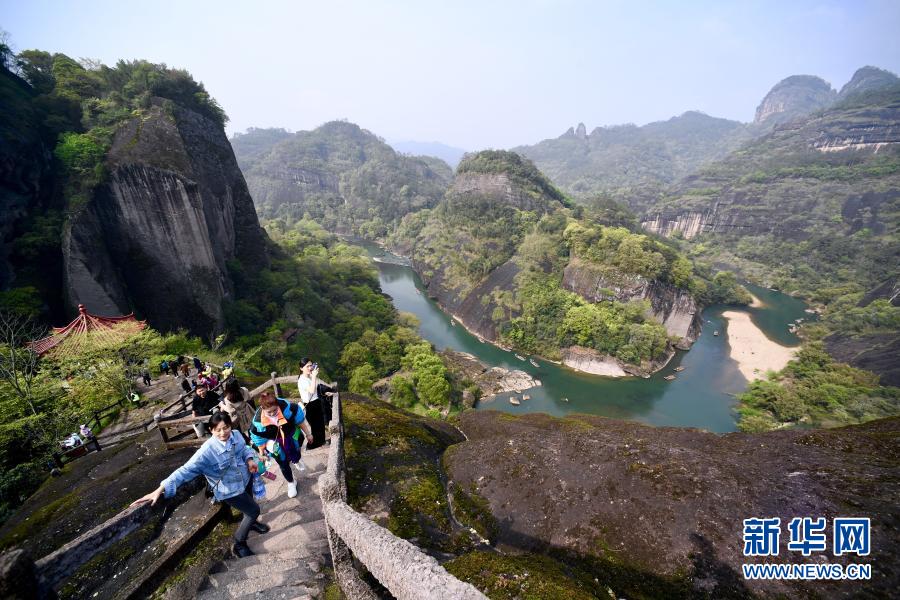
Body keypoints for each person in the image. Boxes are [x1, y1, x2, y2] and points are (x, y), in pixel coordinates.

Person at [130, 412, 269, 558]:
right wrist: (161, 488)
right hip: (229, 489)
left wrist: (249, 460)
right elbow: (185, 470)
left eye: (226, 427)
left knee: (249, 506)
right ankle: (239, 543)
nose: (223, 433)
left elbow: (244, 449)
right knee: (254, 510)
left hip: (245, 477)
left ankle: (250, 523)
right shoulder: (206, 451)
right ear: (211, 430)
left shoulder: (235, 434)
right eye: (218, 429)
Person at [249, 391, 313, 499]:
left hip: (292, 436)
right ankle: (291, 482)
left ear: (278, 405)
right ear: (262, 409)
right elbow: (259, 440)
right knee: (283, 463)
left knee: (296, 451)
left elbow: (300, 421)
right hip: (275, 443)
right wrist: (262, 454)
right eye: (269, 412)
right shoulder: (258, 423)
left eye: (275, 410)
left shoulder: (289, 409)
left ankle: (296, 460)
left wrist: (308, 434)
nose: (273, 413)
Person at [296, 357, 336, 449]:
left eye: (311, 365)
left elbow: (316, 388)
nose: (310, 368)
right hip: (310, 405)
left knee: (320, 424)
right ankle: (313, 445)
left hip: (316, 402)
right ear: (301, 368)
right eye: (307, 366)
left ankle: (321, 442)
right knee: (315, 426)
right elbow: (311, 390)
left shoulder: (309, 377)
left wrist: (325, 392)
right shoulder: (302, 380)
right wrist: (314, 376)